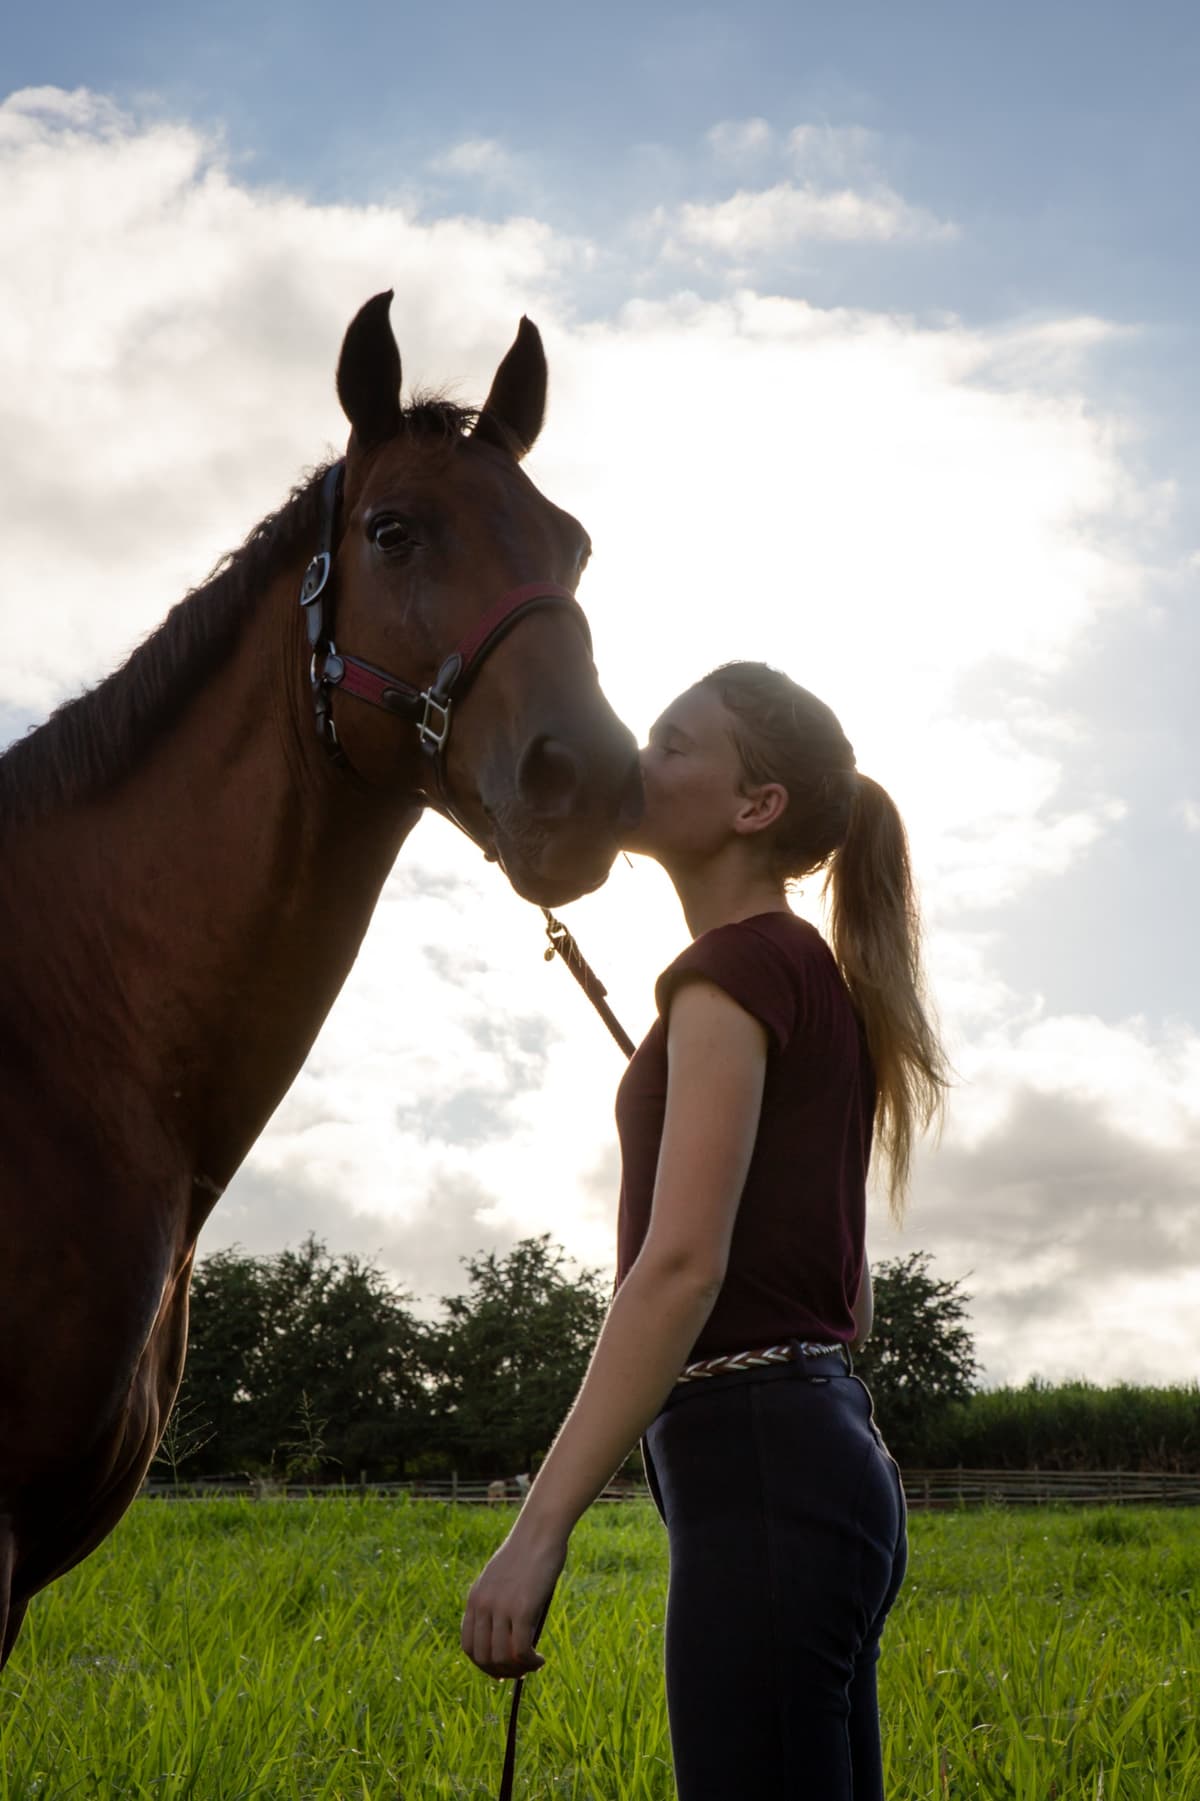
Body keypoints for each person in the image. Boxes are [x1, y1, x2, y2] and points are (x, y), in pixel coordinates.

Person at [461, 661, 949, 1799]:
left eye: (676, 743)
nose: (641, 756)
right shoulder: (819, 979)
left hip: (764, 1468)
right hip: (826, 1459)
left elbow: (680, 1268)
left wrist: (538, 1530)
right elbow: (853, 1302)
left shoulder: (729, 973)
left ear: (755, 806)